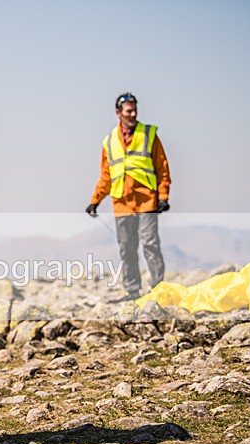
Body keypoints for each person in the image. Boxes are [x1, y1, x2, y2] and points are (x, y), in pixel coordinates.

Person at [85, 92, 172, 302]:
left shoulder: (149, 135)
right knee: (127, 248)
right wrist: (95, 201)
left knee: (150, 244)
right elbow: (106, 175)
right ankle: (132, 292)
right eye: (128, 111)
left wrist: (163, 196)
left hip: (147, 200)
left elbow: (162, 167)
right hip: (122, 203)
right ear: (118, 113)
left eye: (135, 110)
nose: (133, 114)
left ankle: (158, 291)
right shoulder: (109, 141)